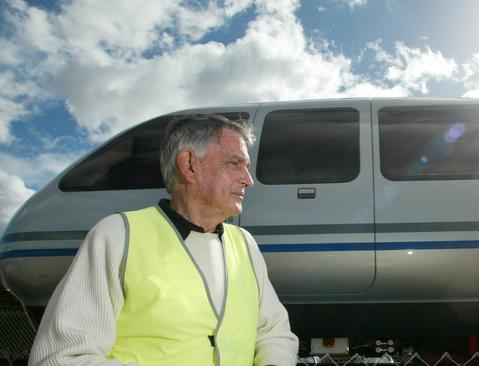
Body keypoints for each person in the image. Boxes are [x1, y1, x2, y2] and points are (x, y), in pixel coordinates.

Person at [29, 114, 299, 366]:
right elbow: (63, 357)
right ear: (189, 165)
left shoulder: (245, 244)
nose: (248, 180)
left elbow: (273, 333)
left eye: (246, 166)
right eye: (234, 163)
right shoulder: (117, 235)